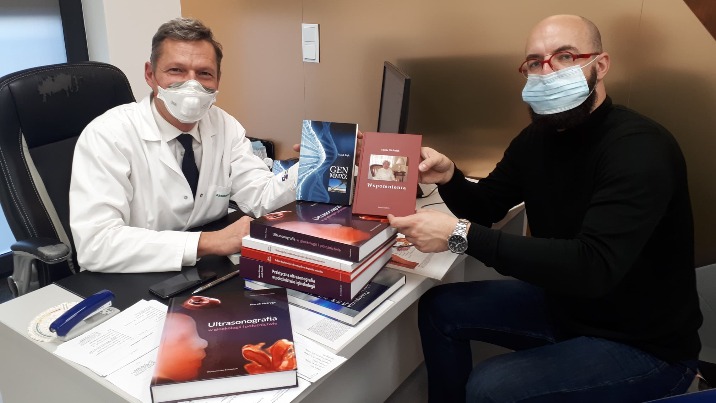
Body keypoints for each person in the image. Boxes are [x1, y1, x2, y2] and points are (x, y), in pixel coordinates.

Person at [388, 14, 703, 402]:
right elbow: (487, 207)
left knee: (490, 386)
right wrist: (450, 176)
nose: (547, 72)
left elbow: (592, 267)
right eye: (535, 63)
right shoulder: (537, 139)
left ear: (601, 64)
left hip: (643, 344)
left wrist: (459, 236)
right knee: (440, 307)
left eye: (565, 57)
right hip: (567, 306)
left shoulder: (639, 149)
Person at [69, 18, 299, 273]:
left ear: (218, 80)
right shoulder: (108, 134)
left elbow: (262, 198)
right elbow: (96, 245)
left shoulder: (224, 125)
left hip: (203, 271)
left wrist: (314, 167)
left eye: (204, 73)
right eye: (176, 70)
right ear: (150, 74)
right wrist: (209, 242)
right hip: (129, 276)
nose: (192, 85)